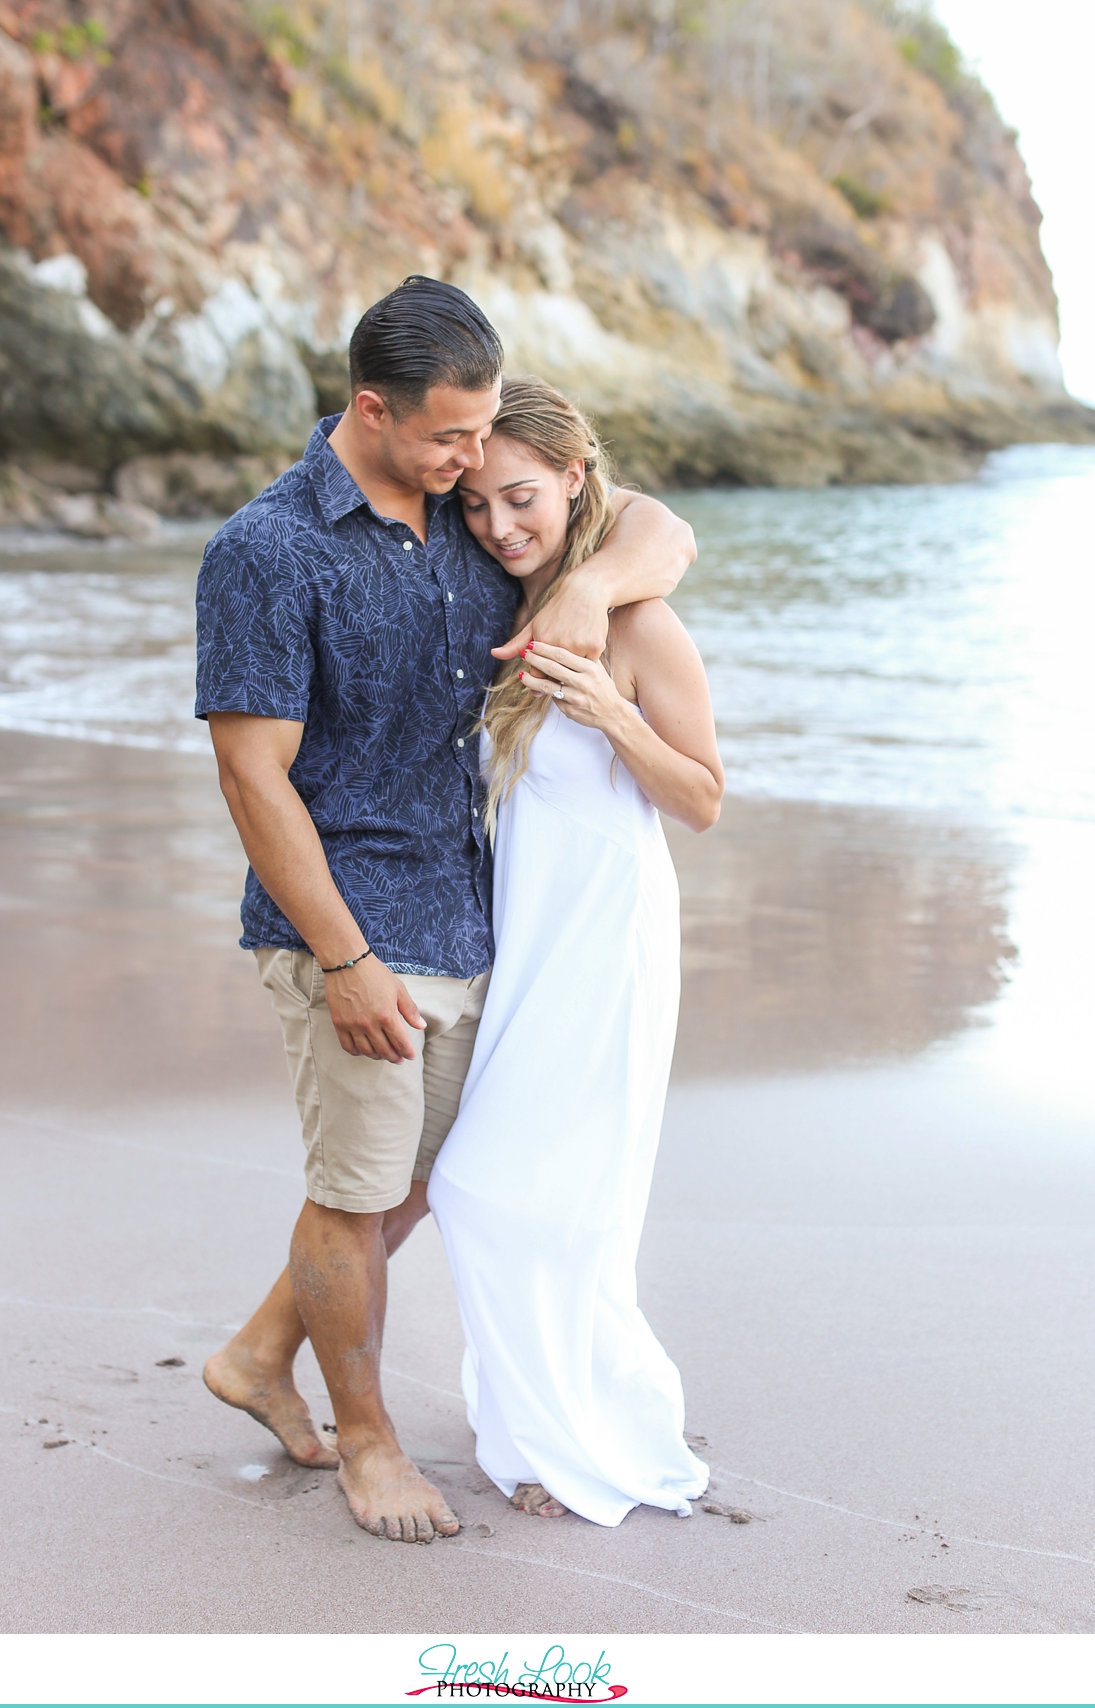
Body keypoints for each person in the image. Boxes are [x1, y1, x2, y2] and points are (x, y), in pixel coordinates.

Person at [193, 278, 696, 1544]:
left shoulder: (463, 526)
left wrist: (585, 596)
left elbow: (644, 527)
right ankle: (368, 1444)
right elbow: (252, 774)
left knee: (424, 1181)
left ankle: (260, 1354)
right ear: (373, 408)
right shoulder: (268, 552)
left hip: (475, 923)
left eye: (491, 451)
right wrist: (345, 958)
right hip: (351, 928)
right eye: (453, 443)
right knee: (359, 1193)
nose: (477, 470)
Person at [429, 377, 724, 1527]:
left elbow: (701, 799)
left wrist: (609, 711)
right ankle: (533, 1427)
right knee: (502, 1189)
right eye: (479, 507)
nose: (500, 525)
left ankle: (593, 1433)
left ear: (573, 482)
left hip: (608, 939)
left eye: (523, 500)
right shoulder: (509, 602)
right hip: (529, 939)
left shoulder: (638, 625)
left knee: (526, 1194)